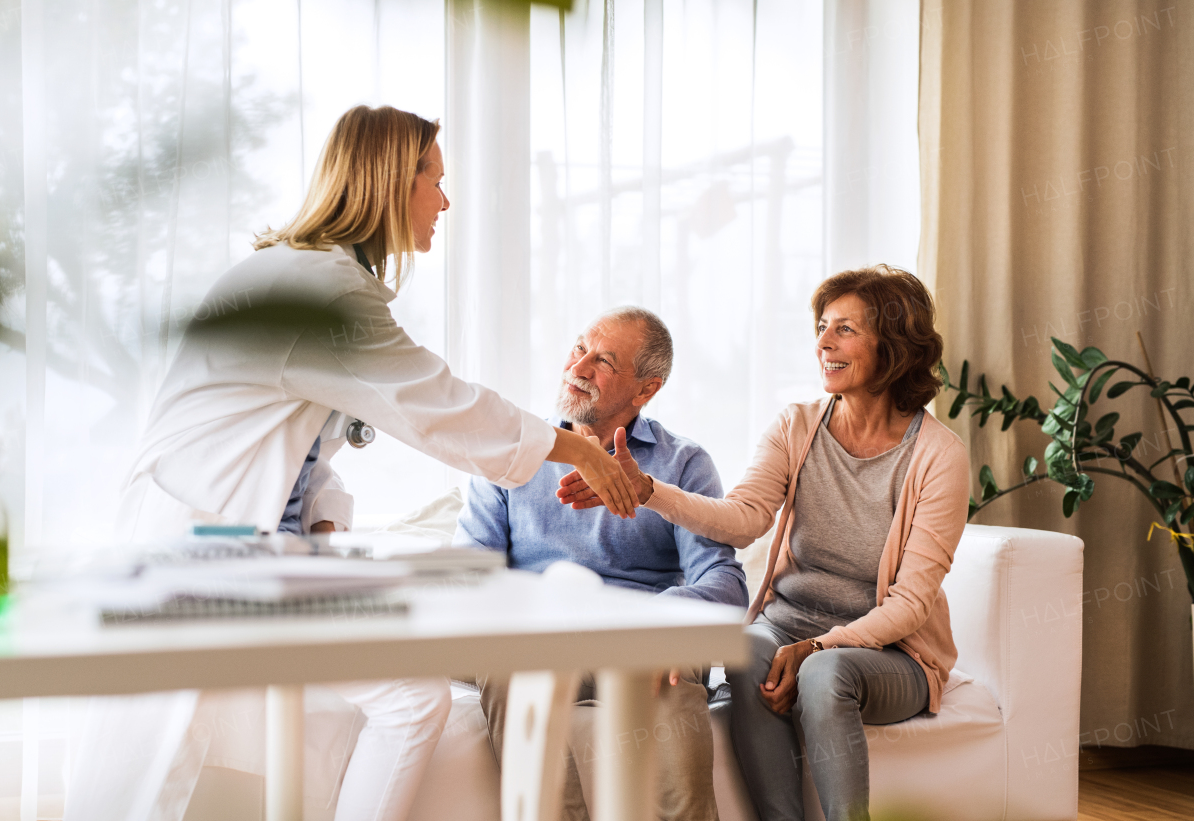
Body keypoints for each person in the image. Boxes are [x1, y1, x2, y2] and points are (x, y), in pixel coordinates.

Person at [68, 105, 636, 821]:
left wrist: (324, 524)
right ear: (391, 183)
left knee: (192, 753)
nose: (445, 201)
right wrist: (575, 445)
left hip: (237, 549)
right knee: (171, 758)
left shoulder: (307, 279)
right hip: (202, 548)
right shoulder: (321, 291)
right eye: (435, 179)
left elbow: (294, 444)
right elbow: (441, 405)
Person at [556, 266, 971, 821]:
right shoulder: (796, 426)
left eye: (844, 329)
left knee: (826, 674)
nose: (823, 342)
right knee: (747, 650)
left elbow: (911, 603)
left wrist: (821, 648)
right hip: (788, 627)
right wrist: (648, 490)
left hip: (891, 654)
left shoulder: (939, 456)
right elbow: (744, 518)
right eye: (822, 326)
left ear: (893, 345)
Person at [455, 306, 747, 821]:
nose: (580, 366)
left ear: (645, 390)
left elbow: (724, 581)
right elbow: (470, 574)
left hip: (638, 641)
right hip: (539, 640)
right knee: (502, 663)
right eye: (578, 347)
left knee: (679, 693)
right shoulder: (513, 455)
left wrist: (661, 624)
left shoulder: (683, 463)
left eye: (604, 360)